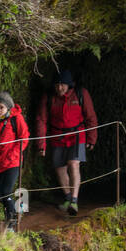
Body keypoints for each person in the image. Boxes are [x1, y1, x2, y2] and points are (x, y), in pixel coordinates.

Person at [36, 70, 98, 216]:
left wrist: (91, 137)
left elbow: (90, 116)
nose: (59, 88)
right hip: (57, 135)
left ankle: (74, 201)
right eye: (57, 85)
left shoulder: (80, 94)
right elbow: (41, 120)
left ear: (69, 85)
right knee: (59, 168)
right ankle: (68, 198)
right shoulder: (49, 97)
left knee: (73, 164)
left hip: (77, 135)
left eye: (63, 85)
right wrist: (41, 144)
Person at [0, 92, 29, 232]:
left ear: (8, 108)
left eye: (1, 107)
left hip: (12, 162)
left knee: (6, 191)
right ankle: (18, 207)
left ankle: (11, 223)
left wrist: (12, 155)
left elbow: (24, 138)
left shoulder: (16, 118)